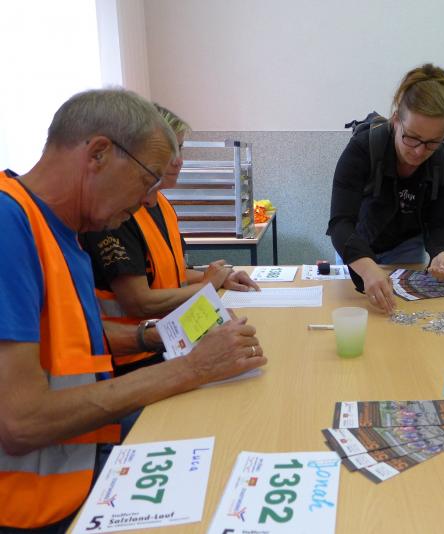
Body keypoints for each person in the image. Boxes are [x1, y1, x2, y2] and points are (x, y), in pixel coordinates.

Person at [0, 89, 267, 532]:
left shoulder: (61, 230)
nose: (148, 200)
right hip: (34, 510)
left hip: (80, 464)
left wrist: (153, 337)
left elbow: (66, 342)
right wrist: (192, 368)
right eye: (147, 180)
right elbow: (21, 422)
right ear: (99, 153)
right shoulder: (9, 226)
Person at [80, 104, 259, 375]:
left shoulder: (161, 204)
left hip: (166, 345)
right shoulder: (116, 214)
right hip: (132, 362)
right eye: (169, 151)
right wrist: (207, 287)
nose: (178, 160)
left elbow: (168, 272)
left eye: (180, 149)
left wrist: (219, 277)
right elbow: (139, 301)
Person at [327, 64, 444, 314]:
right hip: (356, 244)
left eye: (433, 142)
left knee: (398, 317)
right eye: (411, 137)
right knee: (358, 313)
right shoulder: (363, 148)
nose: (419, 151)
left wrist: (441, 252)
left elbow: (441, 223)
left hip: (406, 246)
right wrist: (368, 268)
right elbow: (340, 223)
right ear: (395, 121)